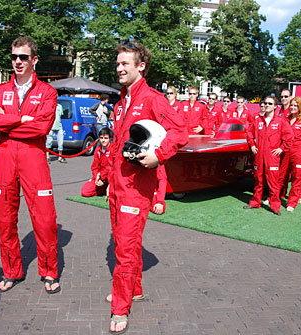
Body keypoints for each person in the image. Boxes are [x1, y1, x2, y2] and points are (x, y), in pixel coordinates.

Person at [107, 40, 188, 334]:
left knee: (125, 249)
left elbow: (181, 131)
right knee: (122, 243)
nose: (119, 68)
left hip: (136, 188)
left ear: (141, 66)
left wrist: (159, 155)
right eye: (118, 63)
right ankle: (132, 289)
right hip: (118, 186)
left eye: (125, 64)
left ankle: (120, 307)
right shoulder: (120, 102)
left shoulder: (153, 99)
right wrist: (107, 182)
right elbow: (117, 146)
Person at [0, 36, 60, 294]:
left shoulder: (47, 92)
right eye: (14, 56)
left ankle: (49, 271)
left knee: (45, 220)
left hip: (33, 159)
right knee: (4, 220)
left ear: (34, 60)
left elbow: (41, 127)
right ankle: (11, 271)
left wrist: (8, 121)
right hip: (4, 159)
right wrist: (21, 118)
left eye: (23, 57)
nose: (17, 61)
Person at [244, 96, 293, 215]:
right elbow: (249, 133)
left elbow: (289, 137)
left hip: (272, 157)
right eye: (265, 103)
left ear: (275, 106)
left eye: (270, 104)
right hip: (259, 155)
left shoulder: (281, 121)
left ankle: (275, 206)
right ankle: (255, 202)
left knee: (273, 182)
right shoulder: (258, 120)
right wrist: (252, 145)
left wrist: (281, 148)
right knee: (258, 180)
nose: (266, 105)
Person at [278, 97, 301, 212]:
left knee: (297, 178)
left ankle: (292, 203)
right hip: (286, 151)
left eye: (295, 106)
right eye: (292, 105)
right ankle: (278, 196)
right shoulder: (286, 119)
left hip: (299, 153)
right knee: (281, 175)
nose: (293, 107)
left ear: (300, 108)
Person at [81, 127, 112, 197]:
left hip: (111, 179)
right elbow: (94, 167)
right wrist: (97, 178)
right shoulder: (97, 150)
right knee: (85, 191)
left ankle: (109, 188)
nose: (103, 140)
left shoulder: (113, 149)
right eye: (101, 138)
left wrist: (103, 177)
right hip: (100, 177)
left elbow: (112, 168)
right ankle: (103, 189)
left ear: (110, 139)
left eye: (106, 138)